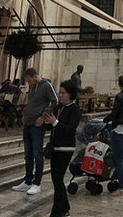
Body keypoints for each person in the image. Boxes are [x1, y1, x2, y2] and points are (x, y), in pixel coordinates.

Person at [12, 68, 58, 195]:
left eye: (28, 80)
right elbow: (32, 102)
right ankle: (27, 180)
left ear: (34, 77)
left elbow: (55, 100)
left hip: (37, 125)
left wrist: (44, 116)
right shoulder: (32, 87)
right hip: (28, 122)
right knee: (28, 153)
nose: (27, 83)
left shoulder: (46, 85)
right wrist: (25, 114)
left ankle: (37, 182)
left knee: (37, 153)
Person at [43, 80, 81, 217]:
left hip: (66, 148)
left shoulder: (75, 110)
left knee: (58, 178)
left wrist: (55, 122)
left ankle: (57, 211)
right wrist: (47, 122)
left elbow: (70, 129)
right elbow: (53, 127)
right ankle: (64, 207)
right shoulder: (57, 108)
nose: (60, 95)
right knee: (55, 178)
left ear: (70, 94)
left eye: (63, 93)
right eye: (60, 92)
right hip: (55, 147)